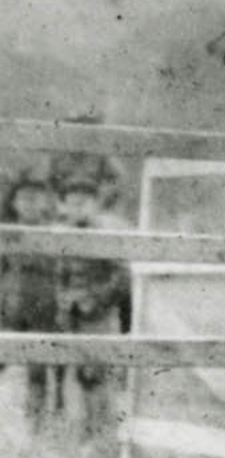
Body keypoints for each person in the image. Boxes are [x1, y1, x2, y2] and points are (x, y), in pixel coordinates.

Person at [51, 160, 131, 437]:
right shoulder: (63, 235)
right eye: (72, 204)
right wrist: (63, 304)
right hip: (71, 314)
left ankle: (104, 432)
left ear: (96, 204)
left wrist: (97, 300)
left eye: (84, 203)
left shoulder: (106, 234)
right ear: (64, 206)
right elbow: (60, 275)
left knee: (98, 373)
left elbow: (122, 276)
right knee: (74, 374)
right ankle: (82, 433)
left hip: (98, 315)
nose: (78, 209)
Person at [0, 172, 61, 426]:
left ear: (45, 202)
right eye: (24, 199)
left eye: (35, 199)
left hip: (43, 305)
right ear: (14, 202)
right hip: (9, 305)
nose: (29, 204)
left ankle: (36, 425)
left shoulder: (54, 233)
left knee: (38, 370)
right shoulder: (6, 231)